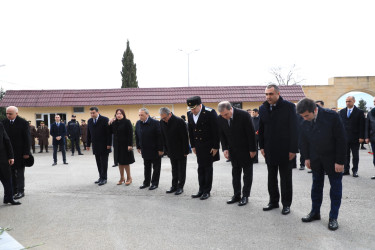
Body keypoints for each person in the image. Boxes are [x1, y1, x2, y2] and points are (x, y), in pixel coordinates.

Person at [297, 98, 346, 231]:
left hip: (333, 159)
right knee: (316, 187)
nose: (304, 118)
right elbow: (303, 139)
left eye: (307, 116)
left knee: (335, 188)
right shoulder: (302, 117)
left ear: (315, 110)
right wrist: (306, 157)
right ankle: (315, 212)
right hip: (315, 159)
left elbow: (341, 139)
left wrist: (340, 161)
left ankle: (333, 217)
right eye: (302, 116)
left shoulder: (332, 116)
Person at [259, 84, 298, 215]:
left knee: (286, 179)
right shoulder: (263, 108)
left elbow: (294, 129)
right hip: (269, 149)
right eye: (266, 94)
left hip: (285, 150)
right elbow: (261, 129)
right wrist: (262, 147)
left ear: (278, 94)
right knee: (271, 177)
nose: (268, 97)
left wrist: (293, 149)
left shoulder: (289, 107)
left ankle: (286, 204)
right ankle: (273, 201)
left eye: (270, 94)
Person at [218, 101, 256, 206]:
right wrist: (225, 149)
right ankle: (236, 194)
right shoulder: (220, 118)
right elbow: (222, 134)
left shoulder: (243, 115)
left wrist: (252, 149)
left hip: (246, 149)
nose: (225, 117)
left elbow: (251, 133)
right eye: (222, 115)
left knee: (247, 174)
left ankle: (245, 196)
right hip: (233, 150)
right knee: (235, 173)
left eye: (226, 114)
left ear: (231, 109)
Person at [187, 96, 220, 200]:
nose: (192, 110)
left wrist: (215, 147)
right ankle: (201, 189)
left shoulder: (210, 112)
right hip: (198, 145)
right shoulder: (190, 114)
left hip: (208, 146)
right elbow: (191, 131)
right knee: (200, 168)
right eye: (190, 109)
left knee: (208, 168)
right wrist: (192, 146)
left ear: (200, 105)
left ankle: (207, 191)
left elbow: (216, 131)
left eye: (194, 108)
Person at [2, 106, 31, 200]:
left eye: (10, 113)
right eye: (7, 113)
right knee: (10, 172)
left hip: (20, 152)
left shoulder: (23, 123)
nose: (8, 115)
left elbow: (27, 139)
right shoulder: (3, 123)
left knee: (19, 172)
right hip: (8, 153)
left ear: (16, 113)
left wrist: (27, 152)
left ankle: (20, 191)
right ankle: (13, 190)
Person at [159, 107, 189, 195]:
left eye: (165, 118)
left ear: (170, 114)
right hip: (170, 150)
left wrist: (186, 151)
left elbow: (185, 137)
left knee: (181, 169)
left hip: (180, 149)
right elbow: (163, 136)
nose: (163, 120)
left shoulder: (179, 121)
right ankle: (174, 186)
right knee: (174, 169)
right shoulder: (162, 122)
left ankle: (180, 187)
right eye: (162, 118)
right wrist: (165, 150)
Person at [135, 108, 163, 190]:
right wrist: (138, 146)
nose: (140, 117)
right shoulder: (138, 123)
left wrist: (161, 149)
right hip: (145, 149)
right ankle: (146, 183)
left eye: (142, 115)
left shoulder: (155, 123)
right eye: (139, 115)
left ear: (147, 115)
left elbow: (160, 137)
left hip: (155, 149)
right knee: (146, 167)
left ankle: (154, 183)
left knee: (156, 167)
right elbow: (137, 135)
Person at [339, 96, 365, 177]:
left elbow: (362, 126)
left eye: (349, 101)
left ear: (354, 101)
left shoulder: (359, 112)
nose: (347, 103)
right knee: (346, 155)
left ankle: (355, 170)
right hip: (344, 138)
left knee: (355, 155)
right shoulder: (342, 112)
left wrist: (361, 137)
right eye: (346, 101)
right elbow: (340, 125)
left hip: (355, 138)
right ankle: (346, 170)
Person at [86, 107, 112, 186]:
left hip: (104, 145)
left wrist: (109, 144)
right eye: (91, 113)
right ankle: (100, 177)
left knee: (104, 162)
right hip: (95, 145)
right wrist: (88, 144)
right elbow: (89, 133)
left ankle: (104, 178)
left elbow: (109, 133)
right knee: (98, 162)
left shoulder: (104, 119)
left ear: (97, 112)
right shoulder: (90, 121)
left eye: (93, 113)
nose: (92, 114)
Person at [109, 109, 135, 185]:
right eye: (117, 114)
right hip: (117, 145)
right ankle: (122, 178)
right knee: (119, 162)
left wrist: (130, 145)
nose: (118, 115)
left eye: (120, 113)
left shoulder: (127, 122)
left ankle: (129, 178)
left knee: (126, 162)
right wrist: (110, 122)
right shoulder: (114, 123)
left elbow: (130, 134)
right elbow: (110, 131)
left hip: (125, 145)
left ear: (123, 114)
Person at [0, 121, 21, 205]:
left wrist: (11, 156)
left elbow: (6, 140)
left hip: (2, 158)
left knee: (7, 179)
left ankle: (8, 198)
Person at [365, 97, 375, 179]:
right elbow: (367, 126)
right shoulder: (370, 113)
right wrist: (367, 137)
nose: (374, 102)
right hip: (373, 138)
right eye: (374, 101)